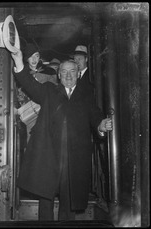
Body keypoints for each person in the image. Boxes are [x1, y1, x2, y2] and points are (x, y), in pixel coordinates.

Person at [10, 46, 112, 221]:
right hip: (49, 157)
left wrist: (101, 126)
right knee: (45, 200)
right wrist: (19, 60)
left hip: (73, 160)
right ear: (58, 75)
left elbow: (95, 116)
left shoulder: (86, 96)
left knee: (68, 204)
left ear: (78, 74)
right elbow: (29, 84)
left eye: (72, 71)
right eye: (63, 72)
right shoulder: (49, 91)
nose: (68, 75)